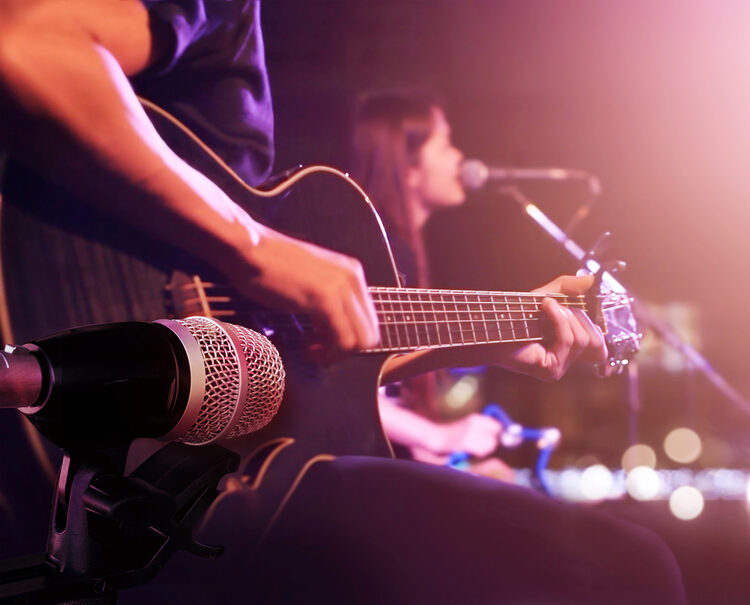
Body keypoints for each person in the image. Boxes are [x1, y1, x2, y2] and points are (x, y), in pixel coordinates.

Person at [0, 2, 686, 603]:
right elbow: (28, 44)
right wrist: (258, 247)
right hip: (143, 454)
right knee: (628, 565)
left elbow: (311, 362)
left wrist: (495, 335)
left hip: (158, 488)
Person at [350, 89, 516, 476]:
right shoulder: (374, 252)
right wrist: (438, 437)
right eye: (445, 145)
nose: (460, 157)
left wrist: (445, 465)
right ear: (407, 168)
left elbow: (382, 396)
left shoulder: (399, 251)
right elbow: (341, 385)